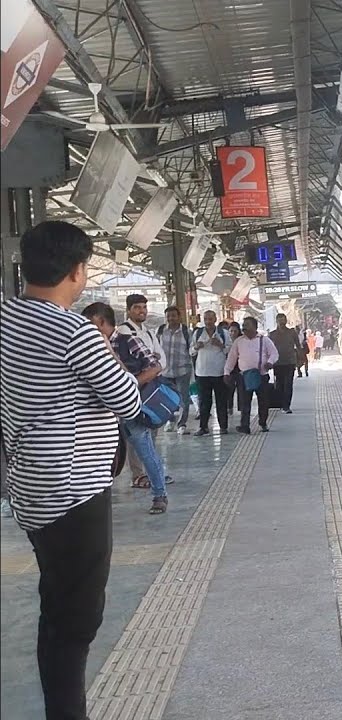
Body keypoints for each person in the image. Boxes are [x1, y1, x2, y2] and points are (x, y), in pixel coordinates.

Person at [0, 221, 141, 720]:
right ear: (78, 271)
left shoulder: (5, 319)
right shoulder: (74, 330)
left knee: (56, 603)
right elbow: (127, 399)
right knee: (77, 617)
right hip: (74, 488)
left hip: (29, 484)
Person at [83, 303, 171, 515]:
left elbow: (155, 366)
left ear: (101, 321)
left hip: (132, 408)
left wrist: (130, 386)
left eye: (89, 324)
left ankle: (159, 494)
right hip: (104, 411)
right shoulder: (89, 347)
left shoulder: (127, 340)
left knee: (145, 450)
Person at [118, 294, 167, 488]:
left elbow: (161, 359)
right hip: (135, 388)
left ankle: (152, 471)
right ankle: (138, 474)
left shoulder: (148, 332)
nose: (142, 311)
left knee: (151, 428)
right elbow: (147, 360)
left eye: (144, 307)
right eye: (137, 307)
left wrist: (154, 364)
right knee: (135, 432)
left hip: (151, 388)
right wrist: (152, 363)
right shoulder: (124, 332)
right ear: (128, 310)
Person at [224, 317, 278, 434]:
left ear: (255, 327)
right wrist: (227, 372)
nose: (244, 327)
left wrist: (270, 362)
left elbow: (274, 353)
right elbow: (232, 358)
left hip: (261, 375)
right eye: (244, 325)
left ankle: (263, 422)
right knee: (245, 402)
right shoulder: (239, 341)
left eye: (247, 325)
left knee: (263, 401)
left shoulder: (264, 340)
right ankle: (245, 426)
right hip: (244, 376)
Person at [191, 311, 231, 436]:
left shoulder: (223, 333)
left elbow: (229, 350)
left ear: (215, 319)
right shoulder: (198, 333)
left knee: (221, 401)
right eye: (206, 319)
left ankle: (223, 426)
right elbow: (191, 351)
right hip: (202, 372)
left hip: (219, 371)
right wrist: (196, 347)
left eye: (210, 319)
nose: (208, 322)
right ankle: (203, 427)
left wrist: (220, 345)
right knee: (204, 402)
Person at [157, 306, 193, 434]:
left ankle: (181, 424)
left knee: (183, 398)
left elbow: (191, 349)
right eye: (168, 316)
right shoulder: (160, 331)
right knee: (166, 398)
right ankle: (170, 420)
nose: (171, 318)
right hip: (165, 371)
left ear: (179, 317)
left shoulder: (186, 332)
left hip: (182, 370)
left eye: (173, 316)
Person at [268, 313, 305, 414]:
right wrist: (268, 361)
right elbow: (268, 349)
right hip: (277, 363)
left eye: (283, 320)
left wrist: (301, 358)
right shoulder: (272, 334)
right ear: (276, 321)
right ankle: (281, 403)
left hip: (290, 362)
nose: (282, 322)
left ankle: (286, 406)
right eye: (280, 320)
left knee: (288, 384)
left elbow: (298, 345)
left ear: (286, 321)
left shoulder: (292, 332)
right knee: (279, 385)